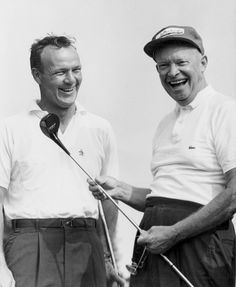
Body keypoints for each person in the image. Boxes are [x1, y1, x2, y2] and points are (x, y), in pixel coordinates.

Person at [88, 25, 236, 287]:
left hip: (202, 247)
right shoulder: (164, 124)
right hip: (154, 242)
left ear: (203, 63)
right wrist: (122, 190)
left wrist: (174, 233)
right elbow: (167, 196)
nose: (172, 72)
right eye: (163, 65)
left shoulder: (225, 111)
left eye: (181, 62)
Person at [0, 35, 125, 287]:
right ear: (37, 75)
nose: (71, 80)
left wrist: (110, 259)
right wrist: (1, 269)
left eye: (76, 70)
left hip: (88, 246)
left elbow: (110, 202)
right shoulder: (10, 129)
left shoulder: (100, 128)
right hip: (29, 246)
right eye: (60, 72)